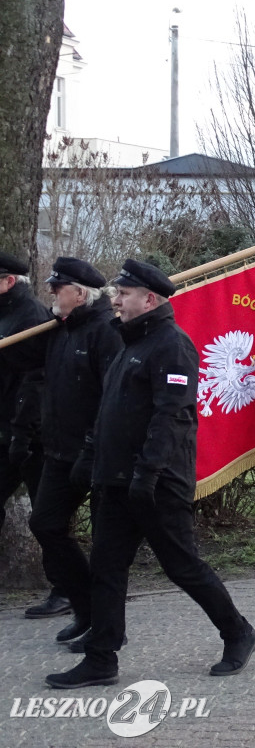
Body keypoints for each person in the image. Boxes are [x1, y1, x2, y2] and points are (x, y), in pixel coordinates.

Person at [46, 260, 255, 689]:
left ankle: (238, 632)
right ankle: (101, 658)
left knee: (183, 567)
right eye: (116, 293)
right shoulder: (127, 341)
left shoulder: (172, 345)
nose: (115, 300)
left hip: (156, 483)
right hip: (115, 479)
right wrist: (91, 454)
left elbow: (172, 416)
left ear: (150, 299)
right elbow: (109, 410)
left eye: (123, 294)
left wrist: (148, 473)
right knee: (107, 569)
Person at [29, 258, 122, 647]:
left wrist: (90, 448)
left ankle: (103, 627)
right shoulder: (60, 329)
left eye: (57, 287)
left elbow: (112, 400)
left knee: (106, 549)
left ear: (80, 293)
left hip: (98, 455)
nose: (51, 292)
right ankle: (83, 608)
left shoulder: (106, 332)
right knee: (45, 524)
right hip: (58, 451)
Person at [0, 251, 68, 619]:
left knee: (47, 514)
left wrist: (23, 433)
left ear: (9, 281)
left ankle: (66, 587)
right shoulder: (5, 312)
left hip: (32, 435)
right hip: (4, 430)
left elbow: (37, 380)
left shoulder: (31, 319)